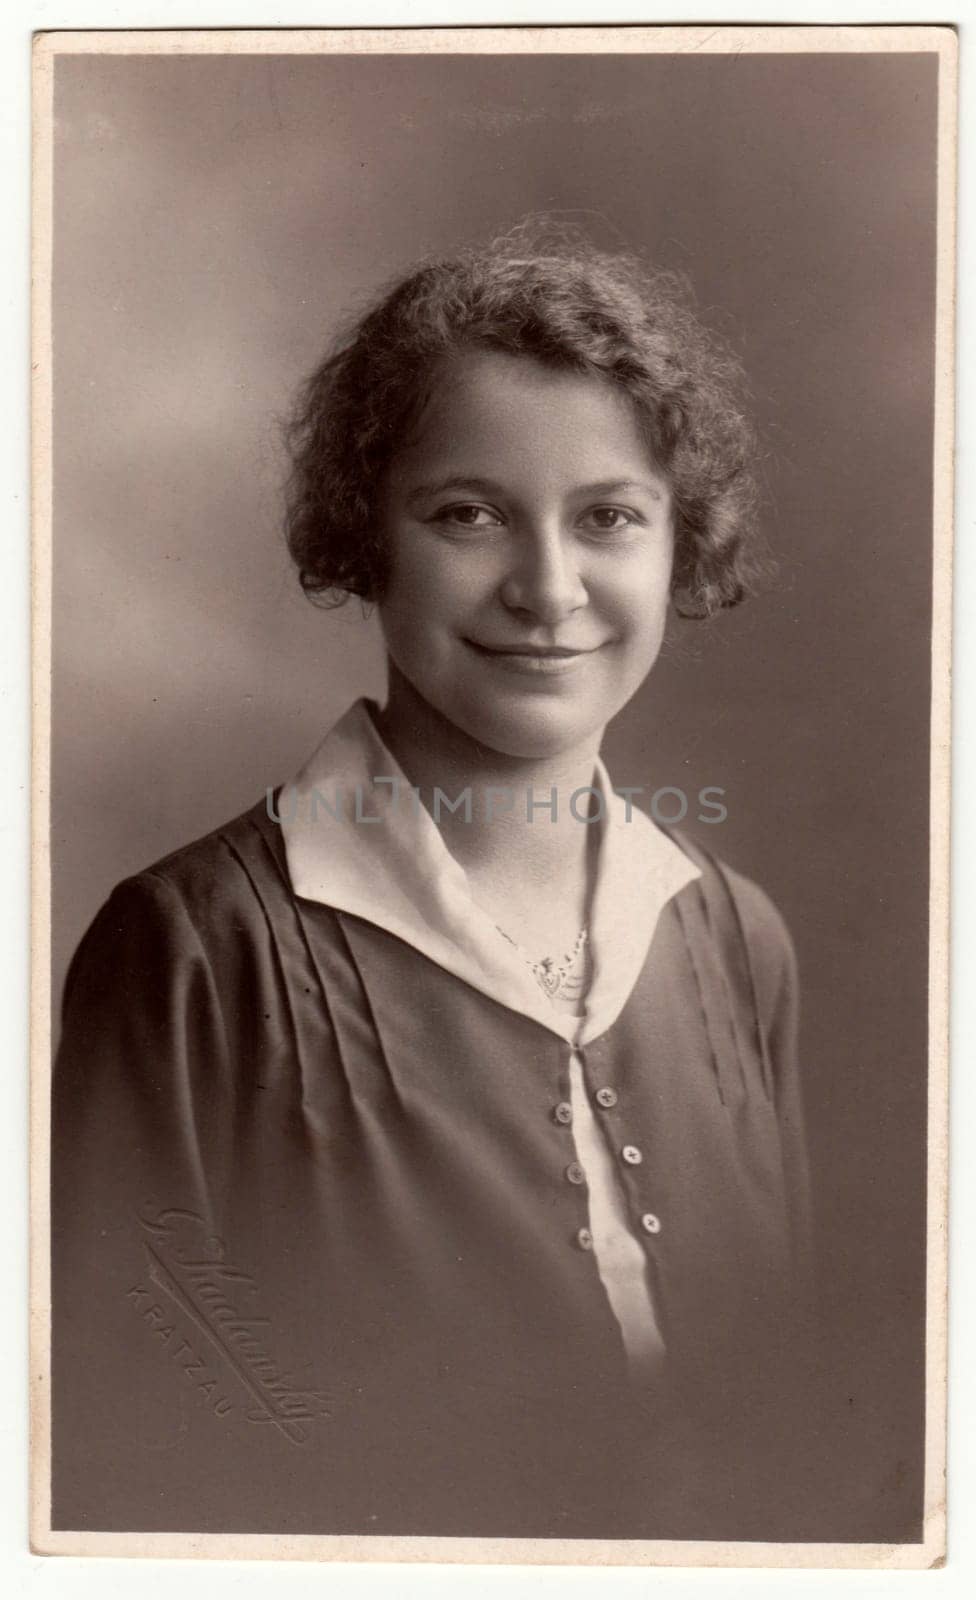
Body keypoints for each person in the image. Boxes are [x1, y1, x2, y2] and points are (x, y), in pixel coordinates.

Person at [50, 227, 817, 1541]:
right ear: (366, 538)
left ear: (676, 539)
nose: (547, 587)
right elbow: (137, 1469)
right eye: (466, 513)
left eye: (607, 517)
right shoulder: (190, 952)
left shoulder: (733, 936)